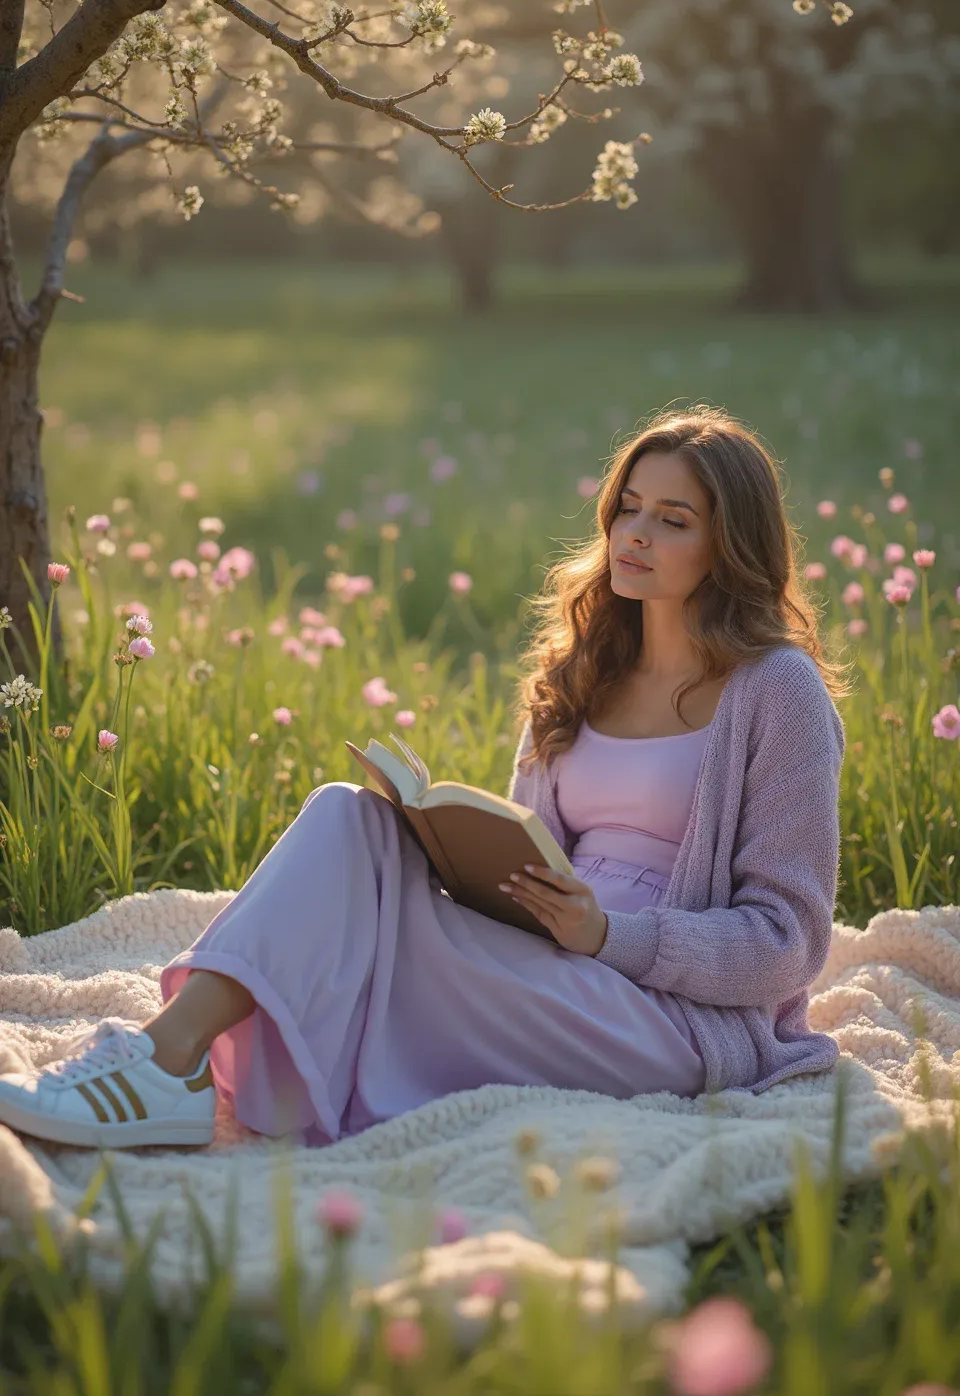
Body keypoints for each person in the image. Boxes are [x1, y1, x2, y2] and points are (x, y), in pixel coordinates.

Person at [0, 405, 850, 1150]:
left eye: (673, 520)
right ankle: (165, 1063)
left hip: (666, 1013)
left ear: (728, 543)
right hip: (544, 957)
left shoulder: (778, 691)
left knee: (359, 940)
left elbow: (788, 943)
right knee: (349, 820)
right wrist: (450, 858)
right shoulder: (587, 665)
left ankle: (173, 1072)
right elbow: (528, 856)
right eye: (627, 508)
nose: (635, 534)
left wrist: (609, 938)